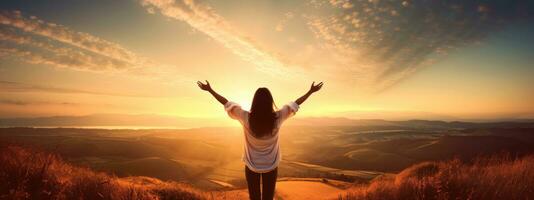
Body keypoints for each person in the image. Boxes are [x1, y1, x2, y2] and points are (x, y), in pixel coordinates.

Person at [197, 80, 323, 200]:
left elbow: (226, 103)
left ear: (254, 102)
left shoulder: (246, 117)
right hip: (271, 166)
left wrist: (210, 90)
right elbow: (296, 104)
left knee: (254, 198)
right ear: (270, 102)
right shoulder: (278, 117)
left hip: (251, 166)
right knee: (268, 198)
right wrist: (310, 91)